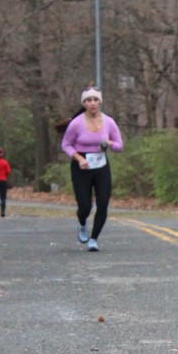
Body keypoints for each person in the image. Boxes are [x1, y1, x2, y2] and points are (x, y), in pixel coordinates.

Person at [60, 87, 124, 252]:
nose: (92, 103)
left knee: (102, 204)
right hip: (81, 166)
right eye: (88, 100)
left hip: (101, 166)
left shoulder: (109, 122)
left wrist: (110, 143)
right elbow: (65, 144)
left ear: (100, 102)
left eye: (95, 100)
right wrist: (79, 158)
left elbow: (119, 146)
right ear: (84, 103)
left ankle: (94, 239)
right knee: (85, 207)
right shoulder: (76, 123)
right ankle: (82, 223)